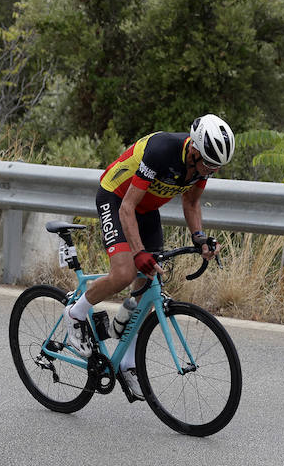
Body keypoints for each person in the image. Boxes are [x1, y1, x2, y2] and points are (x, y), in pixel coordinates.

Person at [63, 114, 233, 400]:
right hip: (116, 198)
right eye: (207, 164)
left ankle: (128, 362)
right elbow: (127, 207)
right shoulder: (161, 150)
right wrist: (138, 253)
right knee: (125, 273)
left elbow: (191, 201)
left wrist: (199, 237)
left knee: (146, 284)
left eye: (216, 167)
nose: (210, 171)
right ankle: (76, 312)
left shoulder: (202, 167)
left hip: (146, 207)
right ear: (193, 150)